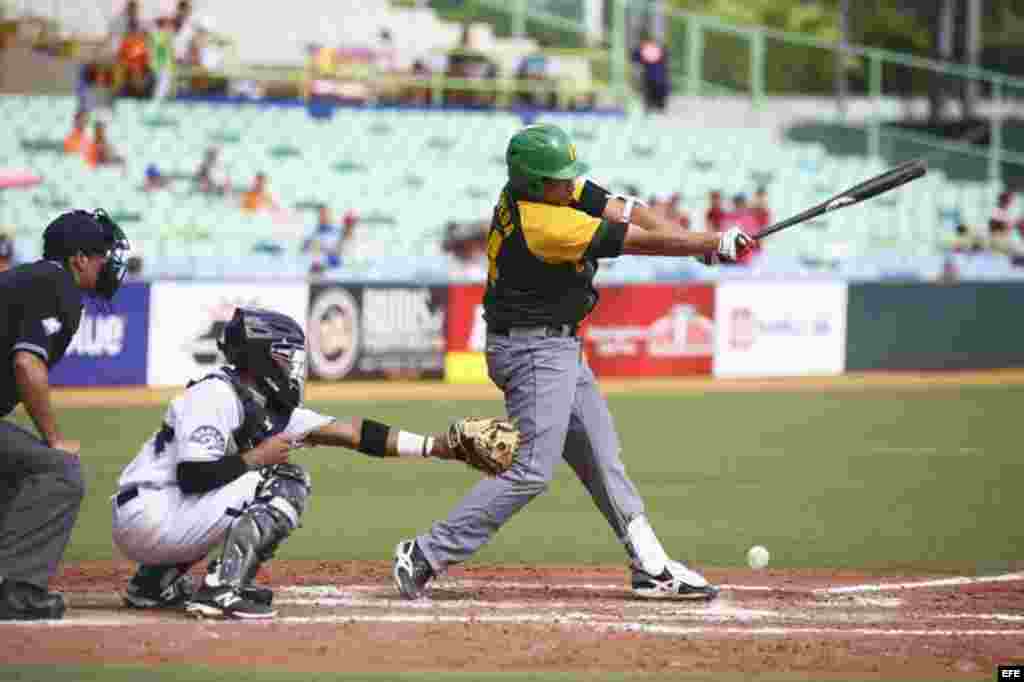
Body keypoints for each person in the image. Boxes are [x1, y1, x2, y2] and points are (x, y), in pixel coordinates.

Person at [392, 124, 752, 602]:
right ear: (535, 183)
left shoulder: (545, 190)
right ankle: (425, 553)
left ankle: (651, 565)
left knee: (603, 457)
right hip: (532, 352)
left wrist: (692, 241)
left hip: (556, 348)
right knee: (531, 471)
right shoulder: (545, 226)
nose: (570, 185)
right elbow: (637, 241)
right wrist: (708, 243)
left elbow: (628, 209)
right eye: (560, 180)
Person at [112, 307, 515, 619]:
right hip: (150, 514)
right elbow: (192, 476)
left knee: (248, 487)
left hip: (162, 514)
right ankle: (223, 589)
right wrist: (254, 458)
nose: (293, 367)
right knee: (284, 480)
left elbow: (353, 433)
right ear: (262, 357)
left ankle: (153, 584)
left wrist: (438, 446)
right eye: (286, 357)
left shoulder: (265, 406)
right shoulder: (215, 395)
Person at [0, 210, 131, 620]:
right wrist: (54, 439)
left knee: (14, 472)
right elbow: (27, 364)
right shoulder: (56, 286)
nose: (107, 265)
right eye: (102, 257)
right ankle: (17, 592)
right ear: (79, 259)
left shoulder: (31, 278)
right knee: (59, 471)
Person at [302, 206, 354, 274]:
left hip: (334, 265)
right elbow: (305, 250)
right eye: (321, 215)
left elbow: (346, 238)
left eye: (326, 214)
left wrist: (349, 226)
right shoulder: (313, 235)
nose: (324, 217)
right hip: (322, 266)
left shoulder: (337, 231)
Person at [632, 34, 669, 114]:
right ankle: (658, 107)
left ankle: (653, 107)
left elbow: (635, 58)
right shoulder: (659, 49)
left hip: (651, 78)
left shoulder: (643, 49)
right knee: (657, 95)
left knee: (651, 94)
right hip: (658, 78)